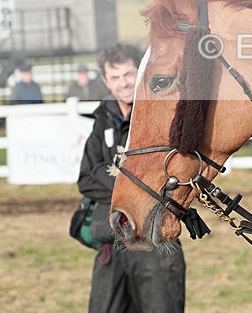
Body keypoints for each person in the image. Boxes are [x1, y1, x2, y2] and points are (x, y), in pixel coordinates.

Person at [77, 43, 186, 312]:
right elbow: (86, 178)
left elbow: (165, 177)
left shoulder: (160, 115)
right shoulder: (104, 117)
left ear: (140, 74)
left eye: (128, 74)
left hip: (153, 243)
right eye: (115, 77)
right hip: (110, 245)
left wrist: (109, 174)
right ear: (106, 81)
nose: (123, 83)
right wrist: (134, 185)